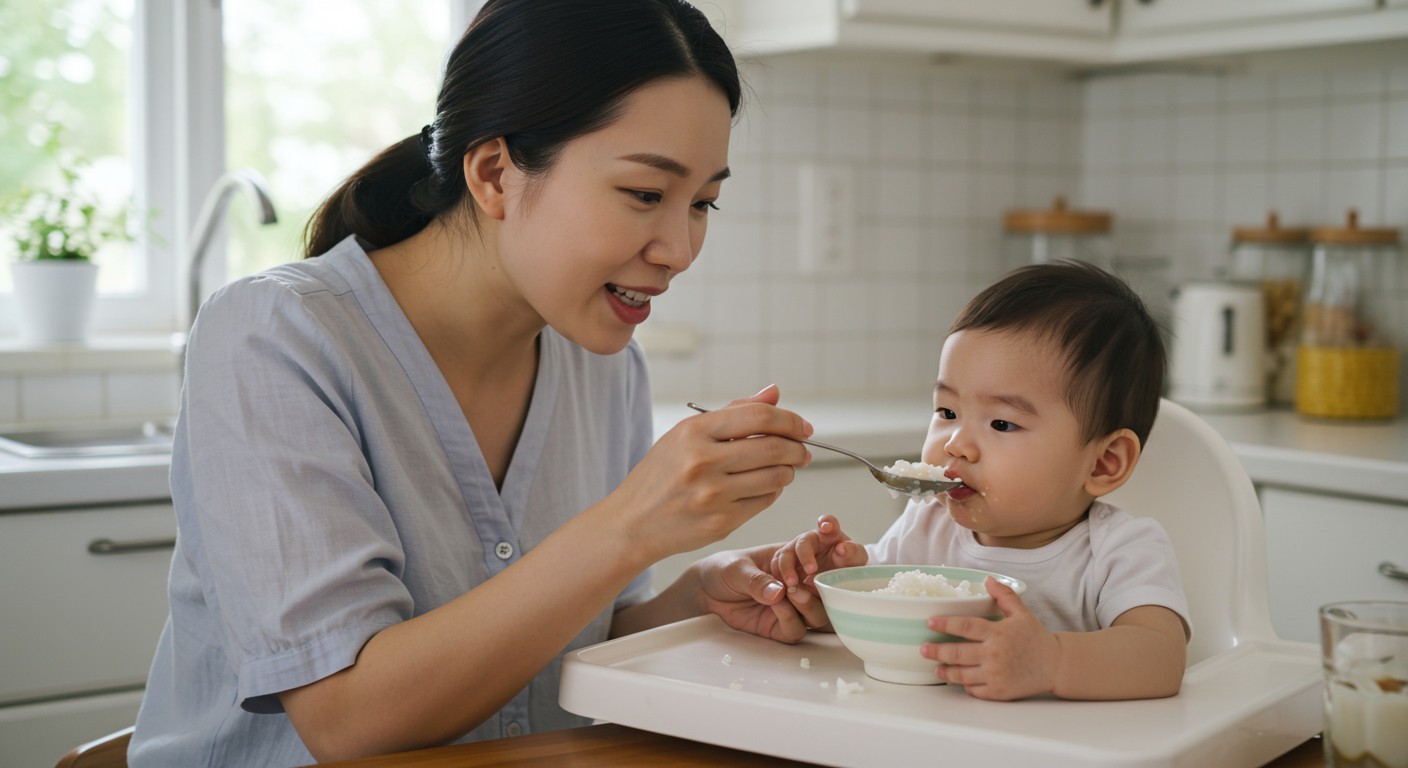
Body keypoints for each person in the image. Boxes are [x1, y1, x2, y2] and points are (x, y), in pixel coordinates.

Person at [128, 2, 819, 766]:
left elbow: (568, 629)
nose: (681, 248)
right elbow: (347, 721)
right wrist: (629, 524)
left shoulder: (604, 362)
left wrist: (697, 598)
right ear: (494, 173)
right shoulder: (274, 336)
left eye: (703, 203)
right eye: (646, 195)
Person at [767, 261, 1191, 702]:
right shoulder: (927, 524)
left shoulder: (1119, 550)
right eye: (947, 412)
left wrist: (1052, 661)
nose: (955, 444)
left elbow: (1162, 658)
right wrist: (832, 588)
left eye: (1003, 424)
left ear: (1103, 463)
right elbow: (885, 610)